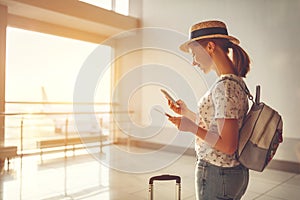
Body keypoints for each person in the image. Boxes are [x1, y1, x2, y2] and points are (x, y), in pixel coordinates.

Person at [167, 20, 250, 200]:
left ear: (210, 47)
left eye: (194, 54)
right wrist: (186, 113)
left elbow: (228, 145)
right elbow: (218, 127)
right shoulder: (236, 82)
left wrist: (191, 127)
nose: (193, 62)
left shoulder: (224, 87)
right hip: (232, 173)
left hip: (217, 174)